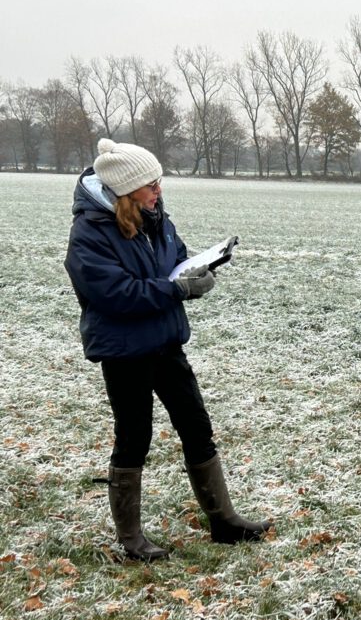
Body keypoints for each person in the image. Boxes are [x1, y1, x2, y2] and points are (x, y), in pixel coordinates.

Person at [65, 138, 271, 560]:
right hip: (124, 352)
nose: (160, 190)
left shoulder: (156, 220)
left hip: (166, 343)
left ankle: (224, 522)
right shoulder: (89, 233)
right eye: (151, 185)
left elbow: (173, 261)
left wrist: (198, 270)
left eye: (159, 182)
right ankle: (131, 540)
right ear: (126, 190)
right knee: (134, 438)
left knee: (197, 427)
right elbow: (116, 294)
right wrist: (174, 289)